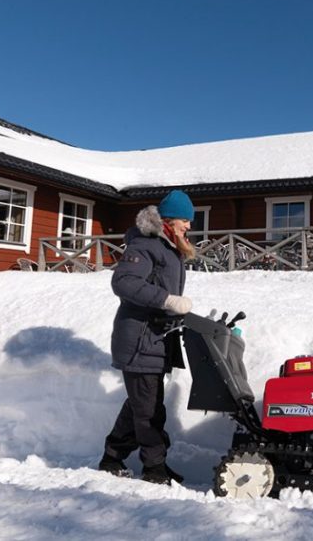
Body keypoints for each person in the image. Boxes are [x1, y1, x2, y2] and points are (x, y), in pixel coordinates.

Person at [98, 189, 197, 484]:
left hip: (155, 339)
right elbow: (124, 282)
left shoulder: (168, 248)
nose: (189, 226)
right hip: (139, 339)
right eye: (185, 220)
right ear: (168, 221)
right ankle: (154, 468)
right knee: (149, 410)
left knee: (139, 404)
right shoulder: (144, 245)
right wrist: (167, 299)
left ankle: (112, 458)